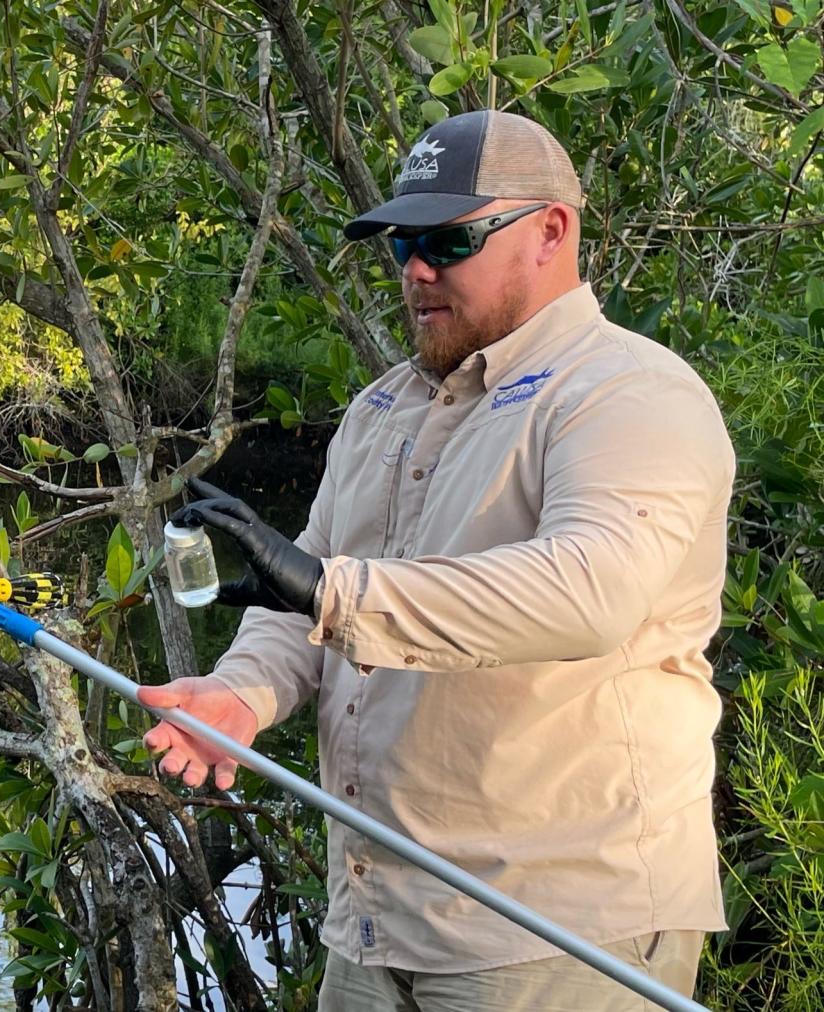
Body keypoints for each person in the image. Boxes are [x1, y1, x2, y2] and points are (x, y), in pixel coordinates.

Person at [139, 110, 734, 1011]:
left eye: (448, 239)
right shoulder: (384, 407)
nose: (416, 269)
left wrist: (331, 590)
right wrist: (245, 692)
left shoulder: (630, 391)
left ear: (550, 231)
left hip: (559, 937)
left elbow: (593, 591)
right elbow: (302, 592)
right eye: (401, 244)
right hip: (377, 924)